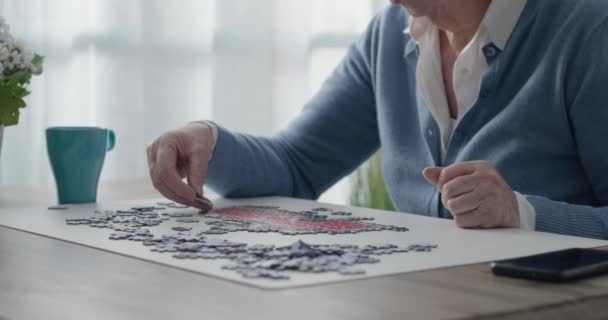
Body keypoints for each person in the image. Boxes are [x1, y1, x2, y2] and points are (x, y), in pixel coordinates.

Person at [147, 0, 608, 240]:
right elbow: (297, 165)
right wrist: (204, 140)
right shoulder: (389, 35)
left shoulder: (588, 32)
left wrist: (521, 213)